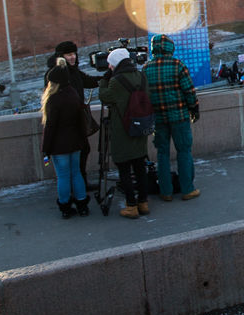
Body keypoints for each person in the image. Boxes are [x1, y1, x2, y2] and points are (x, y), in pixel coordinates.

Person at [143, 34, 201, 202]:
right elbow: (189, 92)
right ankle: (187, 189)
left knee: (162, 153)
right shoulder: (177, 65)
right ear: (170, 48)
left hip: (158, 119)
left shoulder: (147, 68)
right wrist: (194, 110)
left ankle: (166, 191)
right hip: (179, 117)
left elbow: (144, 96)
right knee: (184, 151)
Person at [98, 48, 151, 218]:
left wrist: (103, 82)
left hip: (123, 130)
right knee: (140, 167)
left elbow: (105, 97)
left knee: (124, 169)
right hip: (140, 126)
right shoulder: (141, 76)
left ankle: (131, 206)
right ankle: (143, 203)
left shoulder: (116, 81)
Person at [44, 40, 102, 185]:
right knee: (77, 154)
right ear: (61, 56)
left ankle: (79, 184)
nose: (72, 57)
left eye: (74, 54)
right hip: (64, 123)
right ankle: (77, 186)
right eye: (68, 55)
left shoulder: (74, 71)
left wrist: (109, 76)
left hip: (76, 120)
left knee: (84, 150)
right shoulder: (54, 73)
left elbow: (89, 81)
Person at [41, 58, 91, 218]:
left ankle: (65, 207)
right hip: (75, 143)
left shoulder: (53, 99)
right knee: (76, 173)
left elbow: (50, 127)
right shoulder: (73, 94)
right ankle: (82, 204)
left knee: (63, 176)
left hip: (59, 146)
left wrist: (45, 150)